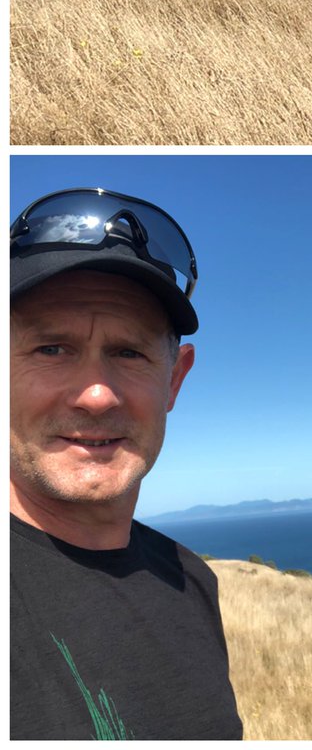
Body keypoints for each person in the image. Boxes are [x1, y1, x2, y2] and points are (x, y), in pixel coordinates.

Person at [10, 188, 243, 739]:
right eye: (52, 349)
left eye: (129, 352)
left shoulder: (191, 581)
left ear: (174, 379)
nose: (96, 396)